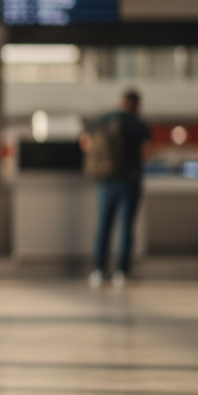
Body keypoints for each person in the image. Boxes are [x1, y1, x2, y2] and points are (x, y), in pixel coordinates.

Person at [81, 88, 152, 288]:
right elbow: (147, 150)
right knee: (126, 227)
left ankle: (98, 270)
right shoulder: (137, 123)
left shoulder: (102, 120)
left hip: (105, 181)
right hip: (129, 181)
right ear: (137, 104)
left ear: (121, 102)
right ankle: (121, 271)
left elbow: (85, 143)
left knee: (103, 226)